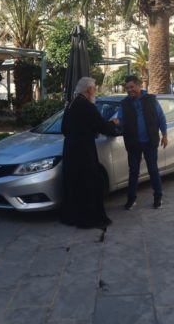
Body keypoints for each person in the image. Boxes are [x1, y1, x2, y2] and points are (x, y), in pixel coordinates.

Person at [59, 77, 118, 229]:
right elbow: (102, 126)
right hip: (83, 151)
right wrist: (113, 124)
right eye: (94, 87)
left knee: (74, 184)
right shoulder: (87, 106)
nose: (95, 90)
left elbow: (64, 128)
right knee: (90, 182)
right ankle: (89, 218)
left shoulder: (71, 104)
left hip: (70, 149)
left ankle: (72, 216)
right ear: (89, 90)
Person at [117, 75, 167, 210]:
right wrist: (115, 123)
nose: (129, 90)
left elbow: (161, 117)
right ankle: (131, 199)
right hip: (133, 143)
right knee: (133, 172)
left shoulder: (151, 100)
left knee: (153, 170)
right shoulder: (124, 103)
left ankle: (158, 197)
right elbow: (120, 120)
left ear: (139, 86)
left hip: (149, 141)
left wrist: (165, 135)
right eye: (127, 88)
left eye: (132, 87)